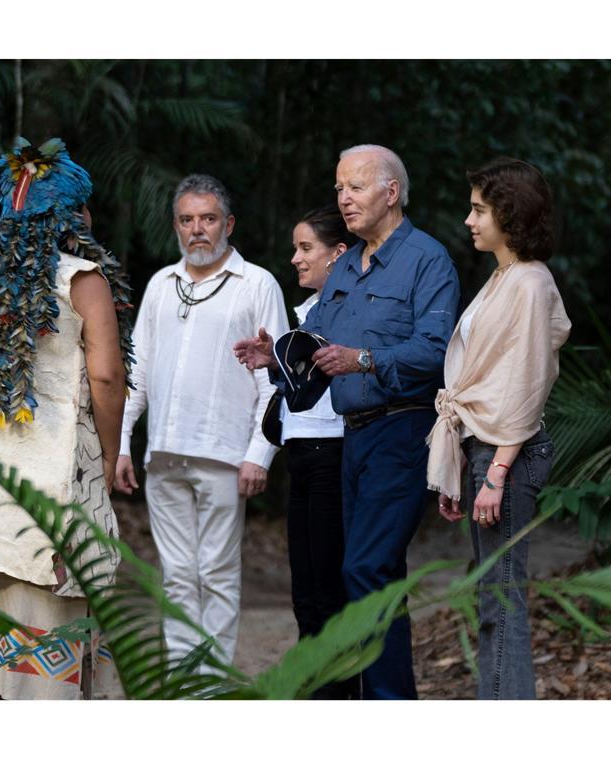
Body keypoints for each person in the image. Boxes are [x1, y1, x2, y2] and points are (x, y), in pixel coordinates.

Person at [235, 145, 459, 698]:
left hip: (402, 431)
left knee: (367, 569)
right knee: (365, 576)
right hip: (352, 439)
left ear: (391, 192)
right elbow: (317, 346)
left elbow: (437, 351)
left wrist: (364, 359)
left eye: (355, 187)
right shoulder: (346, 267)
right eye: (339, 188)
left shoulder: (427, 260)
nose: (343, 198)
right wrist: (277, 358)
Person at [0, 137, 134, 699]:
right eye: (84, 208)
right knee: (50, 615)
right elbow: (108, 376)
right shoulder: (83, 279)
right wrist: (108, 456)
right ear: (71, 215)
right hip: (53, 474)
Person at [116, 173, 288, 668]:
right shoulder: (161, 285)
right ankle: (181, 680)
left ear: (228, 223)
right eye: (187, 220)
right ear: (176, 226)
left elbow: (276, 380)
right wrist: (124, 443)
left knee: (216, 570)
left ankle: (212, 685)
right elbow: (139, 371)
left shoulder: (256, 283)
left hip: (225, 454)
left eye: (208, 219)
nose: (198, 230)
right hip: (165, 453)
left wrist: (260, 453)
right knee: (175, 574)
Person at [429, 157, 570, 700]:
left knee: (502, 597)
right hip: (485, 450)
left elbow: (527, 383)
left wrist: (497, 473)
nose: (469, 220)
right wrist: (462, 467)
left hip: (507, 453)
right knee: (492, 594)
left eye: (479, 209)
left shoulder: (530, 283)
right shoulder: (503, 277)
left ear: (510, 214)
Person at [275, 205, 354, 698]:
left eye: (306, 249)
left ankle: (338, 694)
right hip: (300, 450)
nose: (295, 259)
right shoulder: (305, 311)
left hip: (334, 450)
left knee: (328, 583)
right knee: (303, 585)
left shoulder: (352, 307)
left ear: (338, 253)